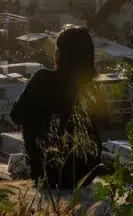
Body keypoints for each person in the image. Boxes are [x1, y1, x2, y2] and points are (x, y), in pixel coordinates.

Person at [10, 26, 101, 191]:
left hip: (47, 174)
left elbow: (16, 115)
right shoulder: (93, 89)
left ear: (59, 53)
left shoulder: (42, 79)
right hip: (83, 176)